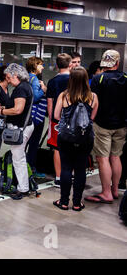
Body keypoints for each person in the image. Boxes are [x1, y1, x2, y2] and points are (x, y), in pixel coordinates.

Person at [53, 66, 98, 211]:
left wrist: (67, 123)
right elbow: (91, 118)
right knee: (80, 170)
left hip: (66, 138)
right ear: (86, 79)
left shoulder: (64, 96)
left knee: (66, 168)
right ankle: (77, 203)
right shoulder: (93, 97)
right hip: (85, 139)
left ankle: (64, 202)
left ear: (71, 79)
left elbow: (56, 115)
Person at [85, 50, 127, 204]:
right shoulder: (126, 78)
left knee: (103, 159)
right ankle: (115, 190)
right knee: (116, 157)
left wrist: (91, 119)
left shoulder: (98, 79)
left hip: (102, 124)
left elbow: (93, 102)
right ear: (117, 63)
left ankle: (106, 193)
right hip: (121, 125)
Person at [0, 63, 33, 200]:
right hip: (25, 126)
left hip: (20, 128)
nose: (8, 81)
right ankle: (24, 185)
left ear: (15, 75)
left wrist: (1, 111)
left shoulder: (21, 89)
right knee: (19, 157)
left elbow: (18, 110)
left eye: (9, 78)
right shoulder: (25, 86)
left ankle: (23, 189)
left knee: (18, 158)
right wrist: (5, 106)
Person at [46, 53, 72, 187]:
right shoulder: (75, 80)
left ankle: (58, 177)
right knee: (72, 147)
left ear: (57, 65)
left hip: (57, 119)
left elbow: (49, 103)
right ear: (70, 64)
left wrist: (51, 119)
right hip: (74, 119)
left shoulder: (52, 81)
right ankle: (70, 174)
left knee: (57, 148)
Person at [26, 57, 47, 179]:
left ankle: (28, 168)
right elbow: (35, 97)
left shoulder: (27, 77)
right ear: (35, 65)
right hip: (36, 116)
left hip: (30, 115)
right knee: (33, 144)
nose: (42, 67)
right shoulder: (34, 79)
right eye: (40, 65)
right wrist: (44, 90)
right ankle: (32, 169)